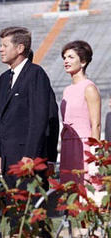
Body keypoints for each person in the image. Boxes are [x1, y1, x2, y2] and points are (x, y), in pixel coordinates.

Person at [0, 26, 52, 188]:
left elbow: (39, 118)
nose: (0, 50)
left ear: (20, 48)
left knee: (29, 206)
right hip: (5, 158)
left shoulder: (36, 74)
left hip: (26, 158)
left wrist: (30, 155)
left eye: (5, 46)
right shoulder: (4, 79)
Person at [60, 40, 101, 185]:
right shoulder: (67, 90)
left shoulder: (89, 88)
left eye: (71, 57)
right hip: (67, 145)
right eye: (64, 57)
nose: (66, 61)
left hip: (84, 146)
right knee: (69, 191)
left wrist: (94, 157)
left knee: (86, 190)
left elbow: (95, 125)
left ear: (83, 62)